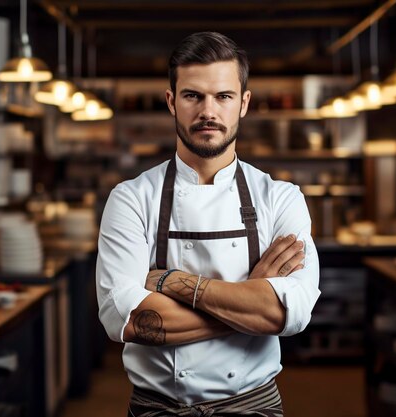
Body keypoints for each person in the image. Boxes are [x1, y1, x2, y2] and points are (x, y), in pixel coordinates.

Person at [96, 31, 320, 416]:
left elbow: (290, 313)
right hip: (160, 408)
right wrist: (251, 300)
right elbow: (128, 320)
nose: (208, 112)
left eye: (224, 96)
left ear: (244, 103)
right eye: (192, 95)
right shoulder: (132, 198)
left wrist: (170, 283)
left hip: (253, 406)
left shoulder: (280, 198)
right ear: (171, 101)